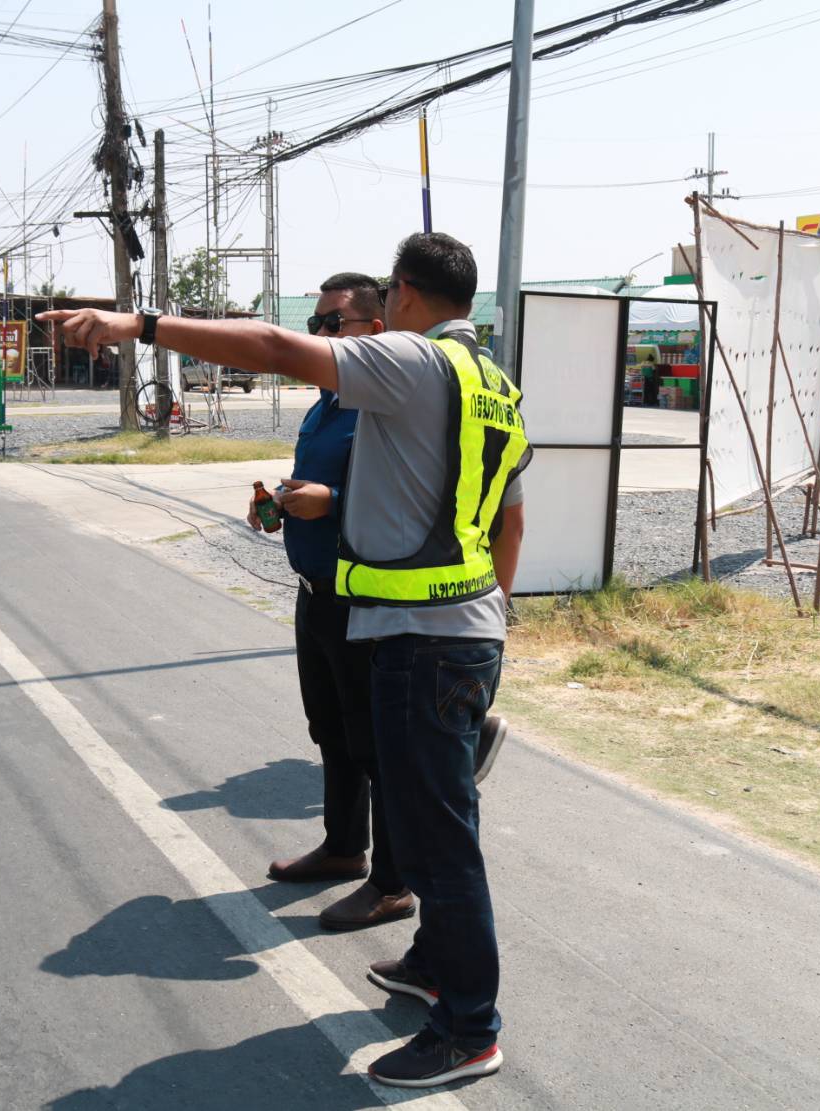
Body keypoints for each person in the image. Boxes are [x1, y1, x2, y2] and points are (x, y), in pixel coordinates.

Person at [40, 231, 529, 1090]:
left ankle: (468, 1028)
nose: (338, 329)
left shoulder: (412, 359)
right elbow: (510, 520)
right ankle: (434, 963)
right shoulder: (494, 384)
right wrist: (490, 617)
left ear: (403, 294)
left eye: (365, 307)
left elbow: (269, 346)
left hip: (424, 638)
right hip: (461, 627)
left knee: (439, 840)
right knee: (426, 820)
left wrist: (137, 325)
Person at [249, 272, 413, 933]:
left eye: (331, 323)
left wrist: (334, 503)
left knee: (376, 745)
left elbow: (407, 504)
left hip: (361, 600)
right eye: (314, 323)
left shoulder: (385, 407)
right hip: (314, 593)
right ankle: (344, 846)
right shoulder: (326, 402)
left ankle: (394, 884)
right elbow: (319, 486)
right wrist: (282, 502)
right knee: (331, 732)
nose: (318, 334)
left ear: (375, 330)